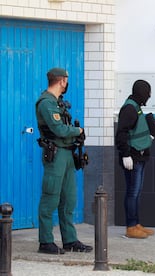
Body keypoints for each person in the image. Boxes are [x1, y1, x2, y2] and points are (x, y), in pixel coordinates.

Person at [35, 67, 92, 254]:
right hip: (56, 155)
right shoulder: (46, 103)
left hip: (67, 154)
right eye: (66, 80)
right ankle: (45, 242)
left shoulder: (58, 102)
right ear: (62, 81)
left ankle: (69, 240)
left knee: (69, 200)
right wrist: (78, 131)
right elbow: (59, 130)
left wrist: (76, 138)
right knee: (50, 198)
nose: (67, 83)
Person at [115, 80, 155, 239]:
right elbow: (121, 133)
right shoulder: (129, 108)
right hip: (132, 158)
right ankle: (131, 226)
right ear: (142, 92)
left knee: (137, 192)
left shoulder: (136, 106)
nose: (149, 96)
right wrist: (125, 154)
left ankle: (136, 223)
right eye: (147, 93)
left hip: (140, 156)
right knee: (132, 193)